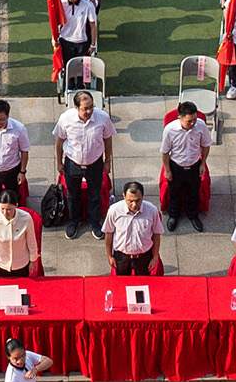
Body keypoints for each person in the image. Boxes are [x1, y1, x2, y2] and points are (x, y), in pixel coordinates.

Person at [55, 89, 114, 236]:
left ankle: (95, 222)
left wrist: (107, 161)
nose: (89, 111)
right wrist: (59, 162)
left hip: (95, 164)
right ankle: (73, 221)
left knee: (94, 195)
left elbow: (108, 140)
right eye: (85, 108)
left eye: (91, 107)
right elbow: (59, 141)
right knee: (72, 195)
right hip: (72, 164)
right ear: (76, 108)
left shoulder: (102, 118)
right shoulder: (65, 119)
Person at [158, 101, 212, 231]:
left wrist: (203, 163)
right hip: (176, 166)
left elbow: (205, 145)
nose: (193, 123)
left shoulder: (200, 126)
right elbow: (165, 152)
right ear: (180, 117)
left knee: (193, 192)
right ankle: (173, 216)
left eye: (194, 119)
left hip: (194, 165)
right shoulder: (170, 130)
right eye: (189, 121)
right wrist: (168, 170)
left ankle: (193, 215)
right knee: (174, 192)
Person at [103, 179, 162, 276]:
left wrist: (155, 257)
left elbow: (156, 234)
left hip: (144, 257)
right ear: (124, 196)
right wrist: (109, 256)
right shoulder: (114, 210)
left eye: (138, 200)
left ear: (143, 197)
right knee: (122, 284)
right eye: (130, 201)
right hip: (121, 257)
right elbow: (108, 233)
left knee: (144, 283)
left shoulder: (152, 210)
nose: (134, 205)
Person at [0, 193, 40, 277]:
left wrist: (33, 261)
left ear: (16, 205)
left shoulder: (26, 218)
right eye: (2, 209)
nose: (5, 213)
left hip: (22, 264)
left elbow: (31, 241)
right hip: (2, 265)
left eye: (9, 209)